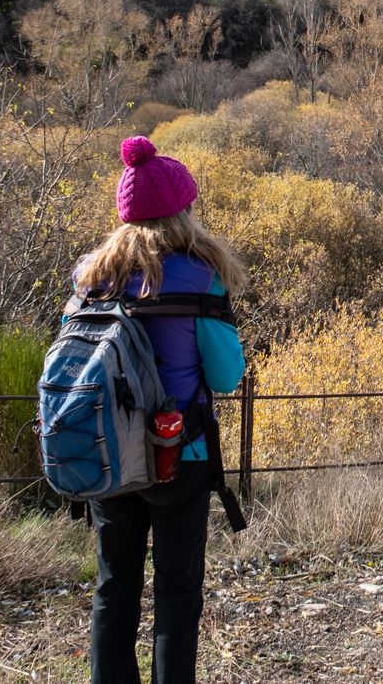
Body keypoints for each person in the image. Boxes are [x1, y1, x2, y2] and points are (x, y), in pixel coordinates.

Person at [69, 136, 247, 684]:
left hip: (106, 455)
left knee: (112, 588)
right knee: (176, 596)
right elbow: (225, 376)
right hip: (179, 453)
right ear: (184, 213)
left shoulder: (89, 278)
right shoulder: (202, 276)